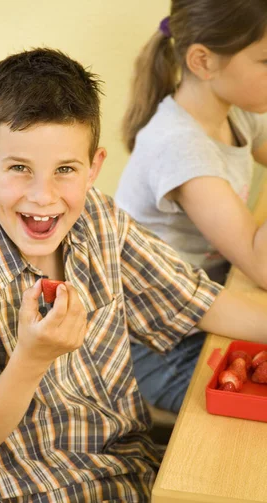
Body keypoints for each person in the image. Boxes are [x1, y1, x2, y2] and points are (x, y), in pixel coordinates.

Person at [0, 48, 267, 503]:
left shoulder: (97, 218)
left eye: (65, 170)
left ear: (93, 167)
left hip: (138, 480)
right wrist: (32, 358)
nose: (43, 196)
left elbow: (199, 303)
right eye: (19, 167)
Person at [115, 0, 267, 414]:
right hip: (163, 346)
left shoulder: (236, 112)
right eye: (266, 61)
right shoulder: (180, 146)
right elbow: (261, 264)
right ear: (203, 61)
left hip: (215, 305)